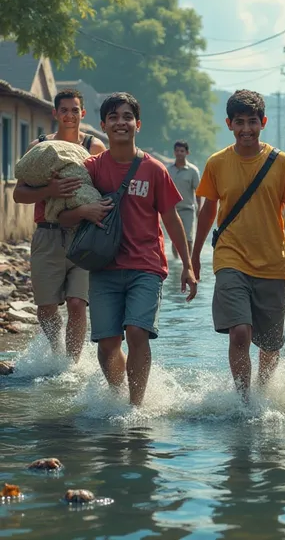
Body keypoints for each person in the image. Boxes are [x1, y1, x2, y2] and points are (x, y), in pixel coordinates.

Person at [58, 92, 197, 407]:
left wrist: (187, 264)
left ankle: (135, 407)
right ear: (104, 126)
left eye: (127, 117)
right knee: (108, 344)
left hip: (145, 266)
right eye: (114, 117)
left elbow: (172, 220)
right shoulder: (91, 168)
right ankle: (119, 396)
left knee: (136, 331)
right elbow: (61, 215)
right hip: (104, 267)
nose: (121, 122)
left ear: (138, 124)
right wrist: (84, 212)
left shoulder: (154, 169)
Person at [191, 89, 285, 400]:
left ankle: (263, 393)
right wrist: (194, 255)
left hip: (273, 261)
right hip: (231, 257)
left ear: (263, 122)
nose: (246, 129)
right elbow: (208, 210)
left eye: (252, 122)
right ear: (229, 124)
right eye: (239, 122)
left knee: (270, 344)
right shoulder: (217, 163)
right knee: (240, 332)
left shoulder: (282, 162)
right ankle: (244, 401)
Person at [13, 89, 106, 362]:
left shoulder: (94, 148)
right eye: (63, 110)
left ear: (83, 113)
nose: (69, 115)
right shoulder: (39, 148)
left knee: (78, 303)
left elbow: (105, 193)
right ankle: (56, 354)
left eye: (74, 110)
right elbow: (19, 195)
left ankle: (71, 366)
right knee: (46, 308)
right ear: (55, 113)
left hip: (83, 235)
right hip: (47, 234)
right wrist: (50, 188)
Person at [168, 141, 201, 258]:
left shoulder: (193, 171)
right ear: (174, 152)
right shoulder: (168, 170)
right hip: (172, 209)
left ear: (187, 153)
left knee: (188, 238)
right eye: (177, 151)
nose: (179, 153)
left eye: (182, 151)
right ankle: (176, 262)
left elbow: (198, 191)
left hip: (188, 209)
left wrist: (199, 208)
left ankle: (188, 263)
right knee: (175, 238)